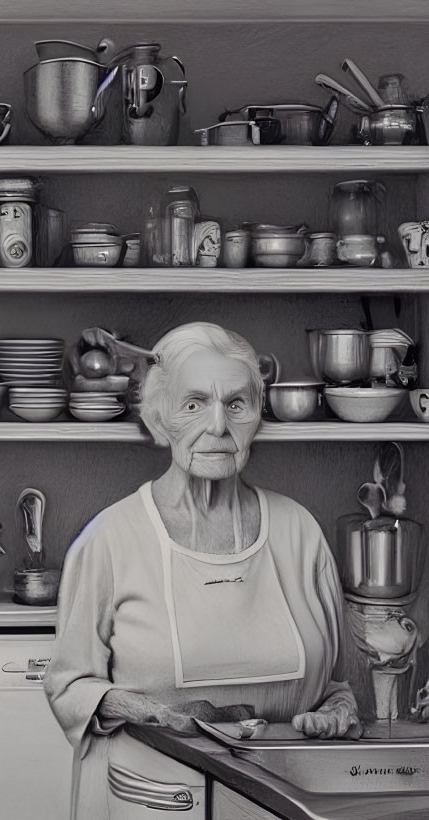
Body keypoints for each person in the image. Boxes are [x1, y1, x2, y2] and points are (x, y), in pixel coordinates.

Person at [43, 322, 360, 819]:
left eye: (236, 404)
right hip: (152, 801)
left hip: (285, 802)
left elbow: (338, 684)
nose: (217, 426)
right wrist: (156, 714)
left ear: (258, 415)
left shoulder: (300, 532)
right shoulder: (110, 538)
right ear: (158, 419)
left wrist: (338, 713)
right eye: (193, 405)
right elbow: (70, 687)